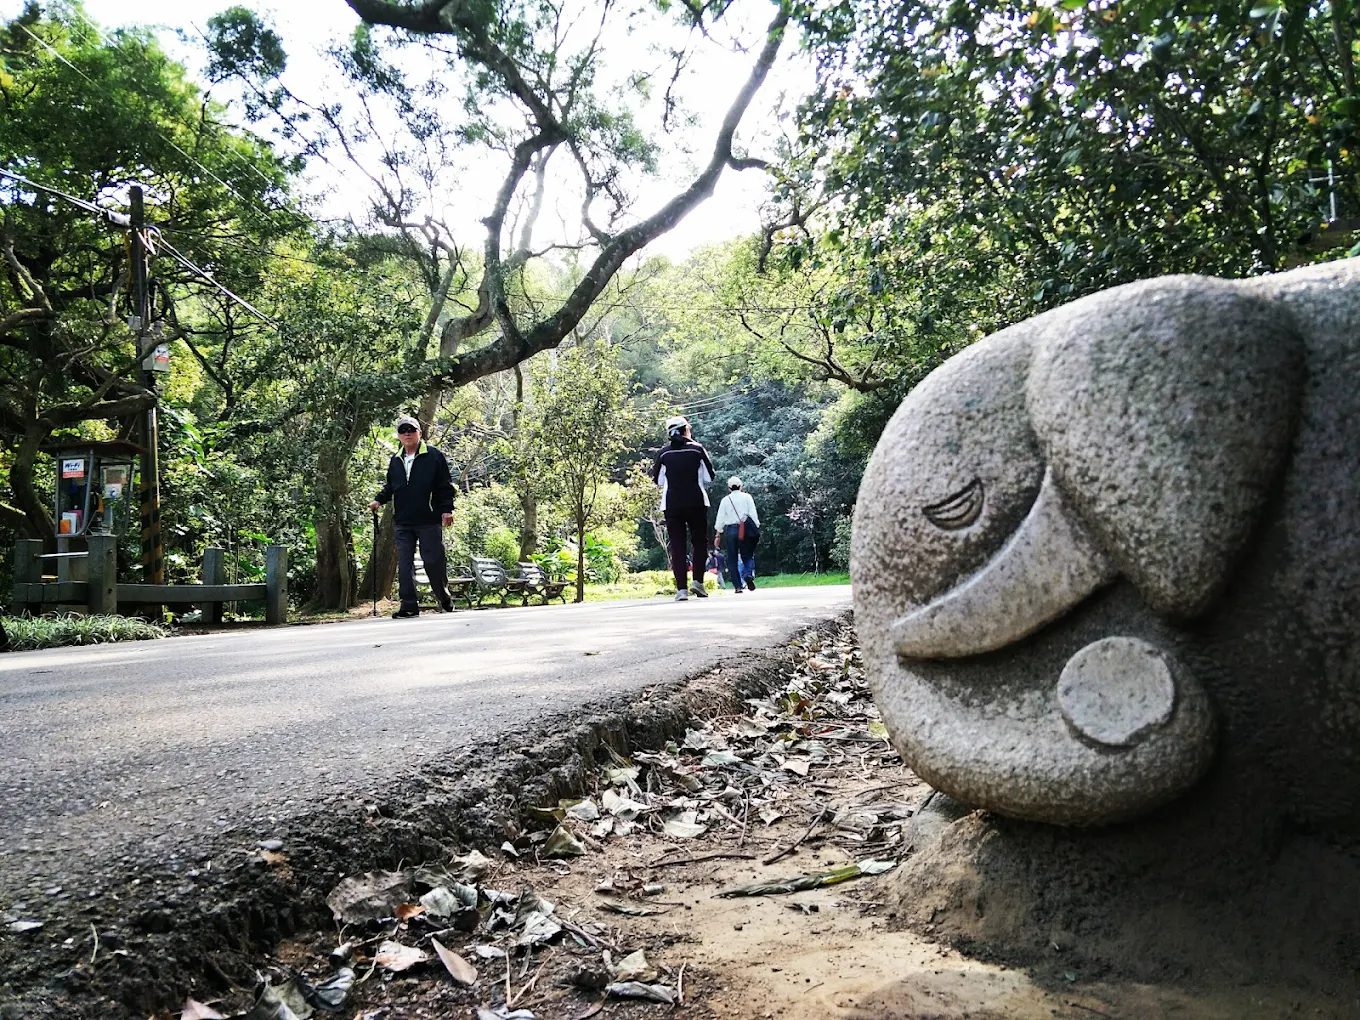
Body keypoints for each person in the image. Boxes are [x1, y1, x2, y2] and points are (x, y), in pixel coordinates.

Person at [369, 414, 455, 618]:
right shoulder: (396, 459)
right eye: (403, 430)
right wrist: (378, 500)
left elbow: (445, 485)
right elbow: (391, 486)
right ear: (399, 436)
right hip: (403, 521)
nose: (407, 433)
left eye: (411, 430)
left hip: (428, 519)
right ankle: (409, 605)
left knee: (433, 561)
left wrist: (447, 510)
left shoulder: (433, 455)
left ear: (419, 433)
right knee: (405, 564)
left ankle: (443, 597)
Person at [651, 414, 715, 601]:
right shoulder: (697, 449)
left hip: (672, 504)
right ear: (686, 430)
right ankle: (698, 582)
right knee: (699, 542)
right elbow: (709, 477)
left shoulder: (664, 453)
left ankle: (681, 590)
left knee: (677, 545)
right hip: (696, 502)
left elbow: (658, 480)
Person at [714, 476, 760, 593]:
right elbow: (753, 514)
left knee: (732, 559)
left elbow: (720, 519)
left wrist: (718, 533)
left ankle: (738, 586)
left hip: (731, 530)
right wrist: (756, 526)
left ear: (729, 488)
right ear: (741, 486)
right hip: (745, 530)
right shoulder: (747, 497)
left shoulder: (725, 500)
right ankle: (747, 574)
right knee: (747, 555)